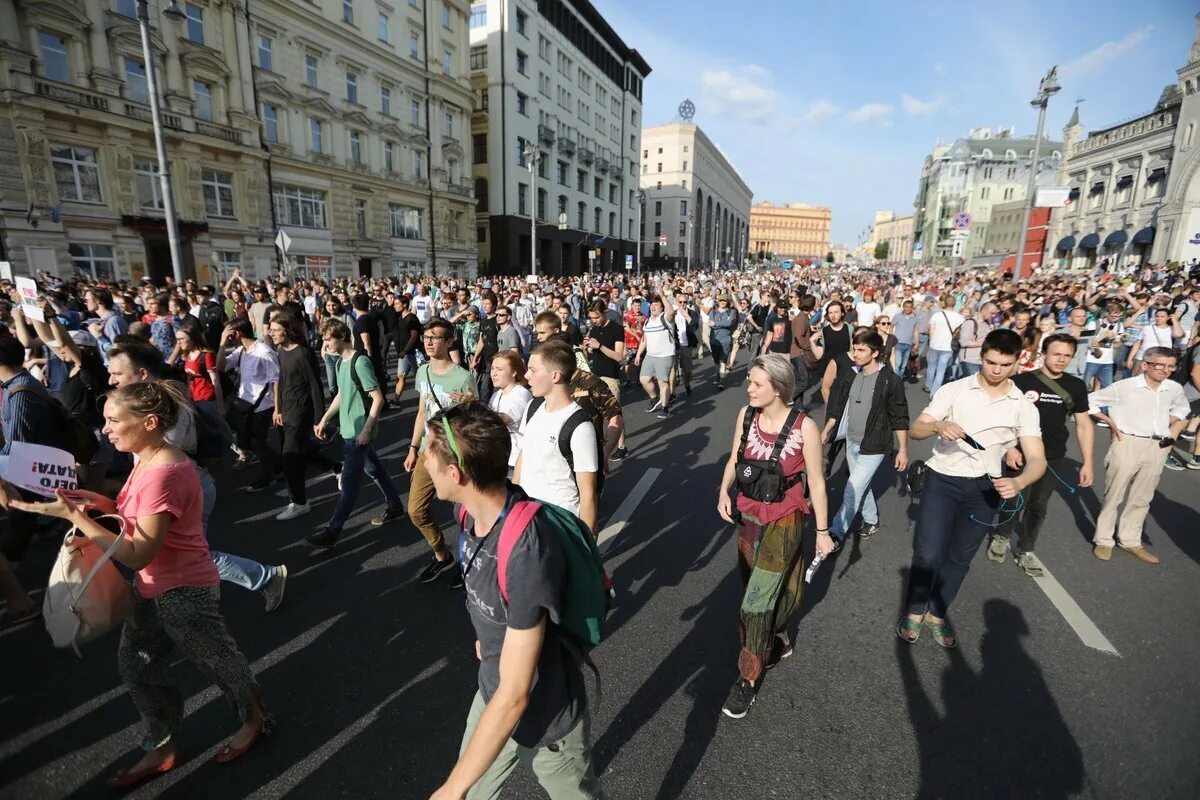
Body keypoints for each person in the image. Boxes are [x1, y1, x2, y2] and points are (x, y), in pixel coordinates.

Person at [12, 382, 269, 788]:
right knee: (136, 667)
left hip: (185, 593)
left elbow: (136, 554)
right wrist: (95, 504)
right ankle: (161, 745)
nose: (105, 430)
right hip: (152, 589)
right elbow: (134, 517)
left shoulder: (163, 472)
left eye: (114, 420)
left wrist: (75, 518)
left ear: (149, 422)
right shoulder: (147, 458)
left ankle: (254, 720)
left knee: (216, 660)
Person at [423, 403, 604, 800]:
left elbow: (516, 694)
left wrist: (451, 788)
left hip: (546, 715)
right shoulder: (469, 514)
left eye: (428, 452)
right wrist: (488, 639)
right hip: (493, 689)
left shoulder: (526, 550)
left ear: (455, 474)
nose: (423, 459)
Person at [104, 339, 287, 611]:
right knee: (177, 558)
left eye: (118, 374)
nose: (111, 380)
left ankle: (264, 578)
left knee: (188, 558)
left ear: (142, 374)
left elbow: (167, 466)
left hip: (182, 493)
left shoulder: (164, 410)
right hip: (176, 492)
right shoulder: (142, 406)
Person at [898, 329, 1046, 649]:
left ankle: (938, 612)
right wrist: (938, 425)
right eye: (990, 362)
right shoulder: (955, 390)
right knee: (928, 552)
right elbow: (917, 428)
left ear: (1017, 363)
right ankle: (915, 608)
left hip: (986, 489)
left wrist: (1019, 481)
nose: (996, 370)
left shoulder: (1022, 405)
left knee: (960, 557)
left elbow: (1038, 460)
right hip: (943, 478)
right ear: (981, 357)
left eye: (1004, 365)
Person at [716, 353, 829, 719]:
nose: (748, 388)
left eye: (756, 383)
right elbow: (735, 456)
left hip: (786, 519)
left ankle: (747, 680)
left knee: (754, 604)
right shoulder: (746, 415)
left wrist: (823, 532)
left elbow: (817, 482)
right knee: (752, 584)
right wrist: (723, 491)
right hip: (749, 514)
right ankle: (778, 635)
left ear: (779, 388)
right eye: (749, 381)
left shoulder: (804, 428)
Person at [986, 333, 1095, 576]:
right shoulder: (1021, 381)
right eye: (1056, 354)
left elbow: (1084, 424)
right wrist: (1009, 447)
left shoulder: (1076, 386)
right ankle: (1002, 536)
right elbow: (1003, 417)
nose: (1061, 360)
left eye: (1067, 355)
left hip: (1052, 456)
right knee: (1013, 500)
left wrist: (1088, 462)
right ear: (1043, 354)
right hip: (1020, 453)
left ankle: (1026, 549)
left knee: (1038, 505)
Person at [307, 318, 406, 548]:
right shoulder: (341, 363)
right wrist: (324, 419)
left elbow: (378, 398)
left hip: (358, 431)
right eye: (323, 339)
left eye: (328, 339)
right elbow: (342, 394)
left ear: (342, 336)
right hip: (350, 429)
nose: (325, 343)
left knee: (350, 483)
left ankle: (332, 531)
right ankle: (395, 505)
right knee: (374, 469)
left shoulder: (360, 363)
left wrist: (366, 430)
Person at [1087, 346, 1190, 563]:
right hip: (1127, 442)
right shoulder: (1125, 386)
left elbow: (1182, 409)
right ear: (1145, 365)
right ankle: (1104, 540)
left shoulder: (1173, 388)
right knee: (1114, 494)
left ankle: (1130, 540)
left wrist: (1170, 426)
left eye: (1171, 366)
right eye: (1160, 365)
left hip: (1157, 446)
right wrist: (1110, 423)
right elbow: (1090, 401)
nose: (1166, 370)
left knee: (1142, 498)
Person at [404, 318, 478, 581]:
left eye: (435, 337)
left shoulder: (462, 377)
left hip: (455, 455)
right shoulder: (423, 371)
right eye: (426, 337)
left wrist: (469, 402)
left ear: (449, 342)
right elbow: (422, 412)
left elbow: (475, 420)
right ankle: (442, 554)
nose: (429, 341)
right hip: (427, 451)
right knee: (415, 510)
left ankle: (467, 563)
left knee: (464, 514)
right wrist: (413, 447)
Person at [821, 329, 909, 545]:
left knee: (852, 489)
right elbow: (839, 403)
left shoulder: (890, 380)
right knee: (862, 484)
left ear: (875, 352)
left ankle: (835, 534)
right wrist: (827, 429)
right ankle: (871, 519)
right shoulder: (852, 374)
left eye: (861, 350)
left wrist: (903, 449)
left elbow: (899, 416)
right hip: (851, 441)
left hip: (875, 445)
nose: (856, 353)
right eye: (854, 348)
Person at [516, 341, 600, 535]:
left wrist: (586, 546)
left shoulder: (580, 426)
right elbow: (524, 454)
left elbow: (588, 493)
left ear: (555, 375)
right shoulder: (533, 407)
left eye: (533, 370)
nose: (526, 376)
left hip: (560, 523)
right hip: (527, 516)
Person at [268, 311, 341, 520]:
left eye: (275, 330)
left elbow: (315, 386)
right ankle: (337, 467)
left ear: (288, 330)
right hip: (287, 411)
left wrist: (320, 419)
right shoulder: (280, 350)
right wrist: (278, 408)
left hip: (302, 411)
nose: (271, 333)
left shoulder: (303, 353)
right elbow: (281, 381)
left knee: (289, 456)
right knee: (302, 451)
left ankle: (299, 502)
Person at [217, 316, 280, 489]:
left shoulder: (264, 351)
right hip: (244, 403)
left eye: (229, 335)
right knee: (244, 441)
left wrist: (277, 409)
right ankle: (278, 462)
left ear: (237, 333)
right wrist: (222, 344)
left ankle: (269, 477)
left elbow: (276, 380)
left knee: (259, 443)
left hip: (262, 406)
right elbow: (221, 366)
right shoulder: (242, 351)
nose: (228, 338)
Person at [487, 351, 533, 475]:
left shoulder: (521, 394)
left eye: (499, 369)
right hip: (500, 458)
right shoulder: (497, 394)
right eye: (492, 369)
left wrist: (474, 404)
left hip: (514, 461)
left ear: (514, 372)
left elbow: (501, 420)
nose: (494, 374)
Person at [635, 297, 676, 420]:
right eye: (651, 305)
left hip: (665, 355)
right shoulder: (647, 321)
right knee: (643, 379)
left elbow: (672, 312)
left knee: (662, 382)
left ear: (662, 307)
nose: (653, 307)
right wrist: (638, 354)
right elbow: (644, 340)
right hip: (650, 355)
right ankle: (654, 398)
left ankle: (665, 408)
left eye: (656, 305)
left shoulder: (665, 318)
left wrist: (663, 296)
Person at [583, 300, 624, 402]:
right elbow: (592, 353)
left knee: (613, 416)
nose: (594, 321)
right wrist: (587, 347)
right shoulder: (593, 330)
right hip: (596, 377)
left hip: (611, 378)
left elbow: (619, 357)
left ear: (605, 312)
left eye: (597, 317)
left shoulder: (616, 328)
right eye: (591, 318)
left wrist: (600, 346)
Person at [925, 295, 963, 395]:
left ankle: (928, 385)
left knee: (932, 366)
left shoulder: (937, 315)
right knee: (941, 370)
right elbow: (960, 332)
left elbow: (931, 330)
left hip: (935, 344)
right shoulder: (960, 317)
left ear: (944, 303)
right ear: (954, 304)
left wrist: (930, 343)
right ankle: (934, 392)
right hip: (948, 346)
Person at [708, 294, 738, 390]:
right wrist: (720, 324)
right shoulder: (713, 312)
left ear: (727, 302)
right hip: (714, 340)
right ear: (718, 302)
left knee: (723, 361)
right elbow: (710, 324)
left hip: (726, 340)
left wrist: (716, 324)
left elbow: (729, 323)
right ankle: (718, 375)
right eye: (721, 301)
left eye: (724, 301)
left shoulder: (731, 312)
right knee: (716, 361)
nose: (722, 302)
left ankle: (722, 381)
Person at [892, 299, 919, 381]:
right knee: (898, 363)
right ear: (903, 307)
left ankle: (899, 379)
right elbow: (891, 325)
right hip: (898, 343)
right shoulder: (898, 316)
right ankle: (895, 381)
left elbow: (916, 331)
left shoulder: (915, 318)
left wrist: (917, 343)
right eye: (906, 307)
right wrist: (891, 337)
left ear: (912, 308)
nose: (907, 308)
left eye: (910, 307)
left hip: (908, 344)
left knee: (903, 365)